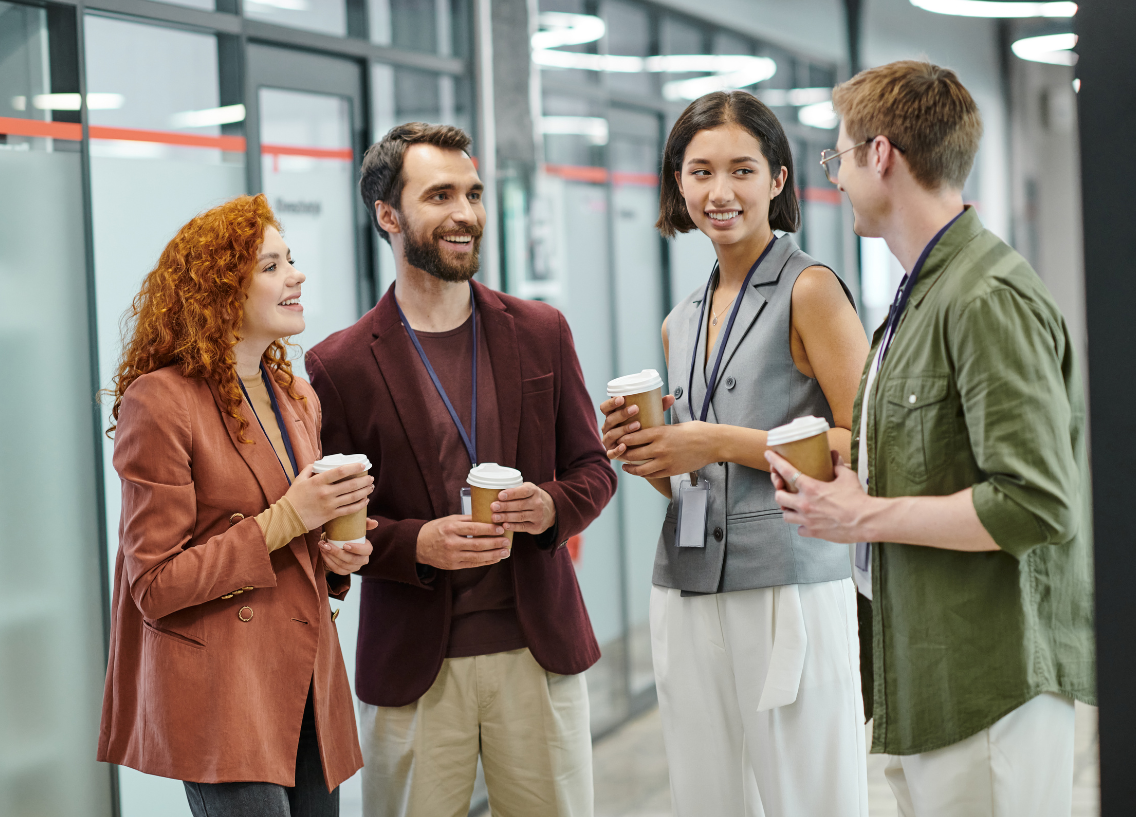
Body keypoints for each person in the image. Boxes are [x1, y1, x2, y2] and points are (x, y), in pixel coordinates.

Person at [768, 61, 1095, 817]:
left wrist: (861, 517)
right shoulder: (919, 294)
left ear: (880, 155)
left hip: (988, 686)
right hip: (926, 675)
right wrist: (858, 461)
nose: (838, 178)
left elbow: (1035, 502)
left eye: (839, 157)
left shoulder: (982, 297)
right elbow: (947, 453)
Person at [305, 122, 616, 817]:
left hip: (538, 654)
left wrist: (550, 508)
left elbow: (593, 468)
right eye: (440, 194)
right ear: (389, 215)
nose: (466, 213)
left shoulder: (541, 330)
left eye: (472, 193)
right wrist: (417, 542)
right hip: (418, 666)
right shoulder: (341, 364)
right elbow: (334, 526)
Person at [598, 91, 871, 817]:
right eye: (699, 172)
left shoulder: (809, 290)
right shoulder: (679, 320)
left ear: (778, 180)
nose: (720, 192)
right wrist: (652, 454)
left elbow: (867, 445)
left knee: (809, 796)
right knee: (707, 795)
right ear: (676, 184)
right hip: (687, 585)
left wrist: (714, 439)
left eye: (742, 170)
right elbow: (693, 479)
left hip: (788, 583)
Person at [97, 194, 373, 816]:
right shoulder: (160, 402)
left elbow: (301, 549)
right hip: (224, 692)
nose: (296, 275)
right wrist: (287, 519)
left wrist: (338, 555)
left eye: (292, 260)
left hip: (305, 680)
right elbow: (155, 583)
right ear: (221, 291)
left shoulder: (296, 396)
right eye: (272, 266)